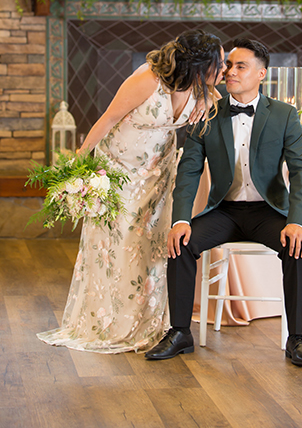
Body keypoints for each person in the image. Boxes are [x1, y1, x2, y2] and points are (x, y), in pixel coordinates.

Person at [37, 29, 225, 353]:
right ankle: (109, 322)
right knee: (118, 248)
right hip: (119, 170)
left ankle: (149, 323)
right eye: (219, 63)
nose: (224, 69)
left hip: (159, 175)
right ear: (199, 65)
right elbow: (108, 119)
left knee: (150, 250)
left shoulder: (202, 87)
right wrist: (78, 168)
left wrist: (209, 101)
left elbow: (217, 100)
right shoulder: (148, 81)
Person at [145, 37, 302, 367]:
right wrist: (180, 218)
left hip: (268, 211)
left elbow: (301, 171)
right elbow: (189, 170)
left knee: (298, 248)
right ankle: (180, 332)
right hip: (224, 210)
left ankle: (297, 338)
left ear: (261, 74)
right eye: (228, 65)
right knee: (181, 243)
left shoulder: (284, 115)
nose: (230, 72)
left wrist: (297, 221)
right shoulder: (206, 112)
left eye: (241, 66)